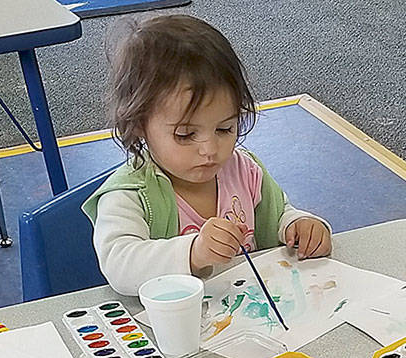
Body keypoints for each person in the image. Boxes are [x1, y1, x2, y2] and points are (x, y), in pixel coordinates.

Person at [84, 14, 331, 296]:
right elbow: (119, 265)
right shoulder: (130, 194)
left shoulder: (244, 171)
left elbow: (278, 215)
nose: (210, 150)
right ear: (140, 125)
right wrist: (194, 252)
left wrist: (299, 225)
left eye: (225, 128)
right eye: (186, 135)